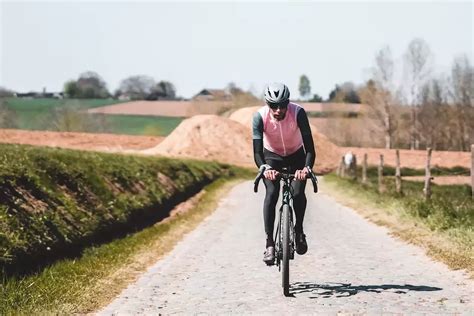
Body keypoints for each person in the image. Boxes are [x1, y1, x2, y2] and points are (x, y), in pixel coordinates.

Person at [252, 82, 316, 265]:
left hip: (297, 156)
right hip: (272, 157)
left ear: (288, 102)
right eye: (273, 105)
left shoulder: (298, 113)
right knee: (271, 193)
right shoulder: (259, 117)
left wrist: (306, 168)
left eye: (282, 105)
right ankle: (270, 244)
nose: (278, 110)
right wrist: (265, 168)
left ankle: (299, 231)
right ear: (267, 103)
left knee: (297, 193)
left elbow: (310, 149)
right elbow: (257, 152)